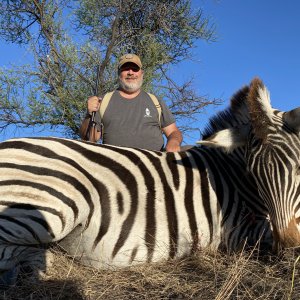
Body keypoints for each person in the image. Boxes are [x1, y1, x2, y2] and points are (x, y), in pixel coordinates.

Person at [79, 53, 182, 152]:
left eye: (135, 69)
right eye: (125, 69)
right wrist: (89, 114)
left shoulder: (155, 101)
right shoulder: (103, 100)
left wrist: (174, 142)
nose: (130, 72)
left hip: (153, 166)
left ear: (141, 73)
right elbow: (89, 138)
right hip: (115, 168)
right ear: (119, 73)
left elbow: (173, 131)